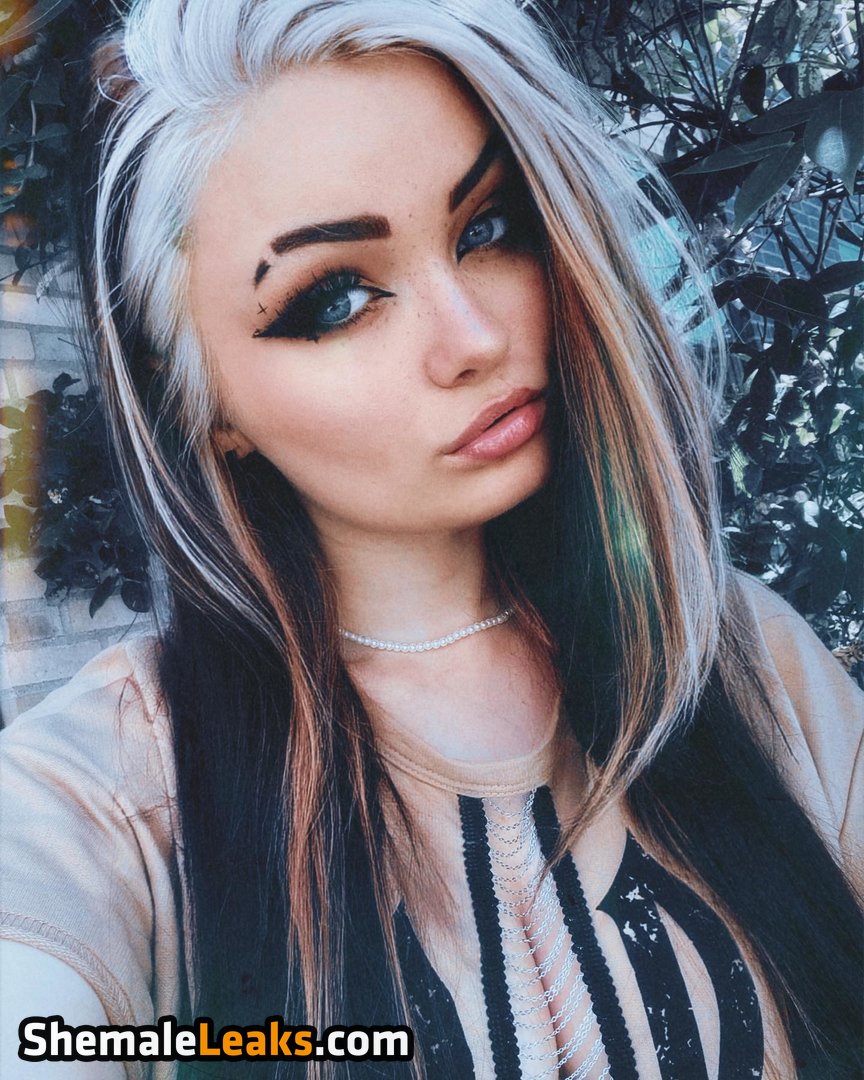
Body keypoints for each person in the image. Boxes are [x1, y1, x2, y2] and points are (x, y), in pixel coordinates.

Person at [1, 0, 861, 1077]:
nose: (474, 337)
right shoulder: (111, 791)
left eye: (487, 228)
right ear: (201, 400)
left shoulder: (739, 658)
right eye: (335, 299)